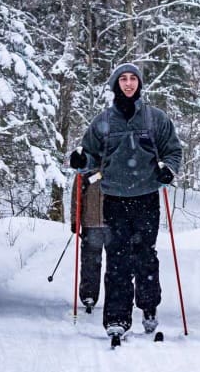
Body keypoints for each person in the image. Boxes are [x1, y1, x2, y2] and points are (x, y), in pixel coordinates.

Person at [69, 63, 182, 343]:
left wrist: (168, 168)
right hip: (115, 198)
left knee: (145, 255)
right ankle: (117, 318)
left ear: (139, 84)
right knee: (117, 257)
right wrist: (81, 161)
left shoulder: (155, 119)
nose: (129, 84)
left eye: (133, 79)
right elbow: (89, 156)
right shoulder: (103, 121)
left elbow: (173, 150)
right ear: (115, 85)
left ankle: (148, 307)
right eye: (123, 79)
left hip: (146, 196)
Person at [69, 170, 107, 314]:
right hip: (90, 224)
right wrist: (74, 220)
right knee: (90, 262)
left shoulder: (115, 164)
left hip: (114, 224)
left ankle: (118, 298)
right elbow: (76, 197)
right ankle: (89, 295)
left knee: (117, 266)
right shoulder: (84, 171)